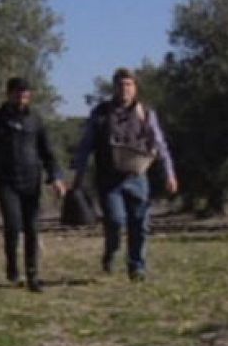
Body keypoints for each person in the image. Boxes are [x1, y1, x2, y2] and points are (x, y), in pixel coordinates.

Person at [70, 67, 177, 281]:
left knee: (140, 223)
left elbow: (159, 144)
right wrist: (78, 174)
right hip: (109, 179)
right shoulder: (101, 113)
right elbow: (86, 145)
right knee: (116, 221)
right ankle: (111, 252)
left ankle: (137, 267)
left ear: (135, 88)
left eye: (129, 85)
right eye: (121, 85)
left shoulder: (145, 113)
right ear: (114, 88)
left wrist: (169, 174)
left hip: (137, 176)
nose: (125, 89)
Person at [0, 77, 65, 292]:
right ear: (9, 94)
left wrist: (56, 177)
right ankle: (12, 265)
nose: (22, 97)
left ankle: (33, 275)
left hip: (31, 181)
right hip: (6, 181)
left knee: (32, 228)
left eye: (25, 93)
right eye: (17, 93)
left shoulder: (35, 120)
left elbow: (47, 152)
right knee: (13, 226)